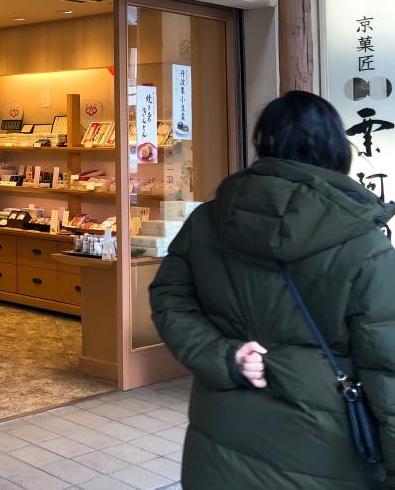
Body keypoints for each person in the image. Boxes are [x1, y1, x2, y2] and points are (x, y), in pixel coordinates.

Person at [150, 91, 395, 489]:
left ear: (264, 145)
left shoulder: (208, 220)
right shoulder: (364, 245)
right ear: (337, 149)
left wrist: (225, 356)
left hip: (219, 441)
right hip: (326, 453)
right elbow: (388, 370)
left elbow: (169, 299)